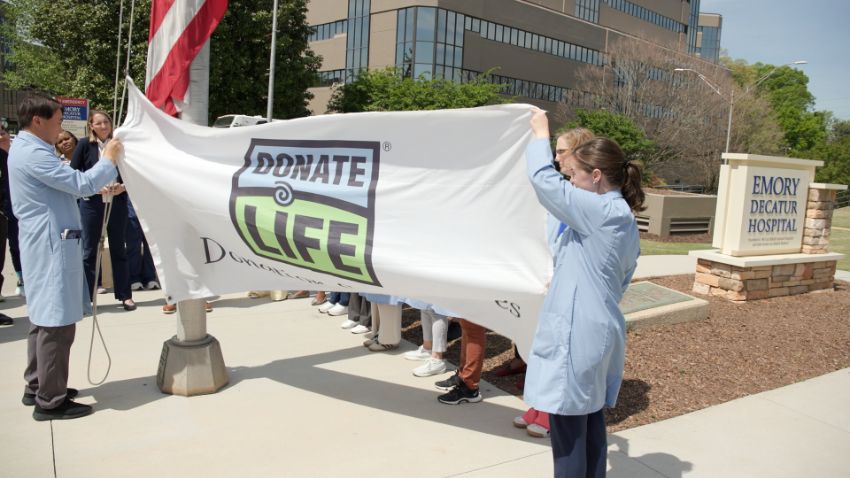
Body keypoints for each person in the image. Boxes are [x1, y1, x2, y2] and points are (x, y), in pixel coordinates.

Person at [525, 109, 643, 477]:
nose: (569, 181)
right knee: (590, 425)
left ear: (595, 176)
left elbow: (544, 182)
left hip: (575, 336)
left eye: (574, 175)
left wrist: (539, 134)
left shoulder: (598, 211)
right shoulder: (623, 217)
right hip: (600, 329)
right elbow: (621, 278)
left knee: (567, 436)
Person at [9, 94, 121, 420]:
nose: (61, 128)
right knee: (56, 325)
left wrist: (98, 188)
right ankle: (51, 399)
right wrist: (109, 159)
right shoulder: (33, 154)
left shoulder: (30, 150)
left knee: (43, 319)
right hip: (50, 246)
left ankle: (39, 384)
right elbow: (80, 182)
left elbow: (64, 187)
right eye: (57, 121)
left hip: (47, 242)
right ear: (37, 121)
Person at [514, 127, 596, 439]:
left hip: (569, 288)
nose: (556, 157)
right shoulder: (568, 191)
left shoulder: (585, 198)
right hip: (549, 279)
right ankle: (537, 404)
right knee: (541, 347)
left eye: (562, 152)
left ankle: (551, 412)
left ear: (580, 154)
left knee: (559, 352)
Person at [71, 110, 135, 311]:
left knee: (119, 248)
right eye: (99, 123)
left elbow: (130, 170)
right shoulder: (84, 145)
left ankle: (125, 295)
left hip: (116, 201)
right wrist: (94, 187)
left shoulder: (118, 144)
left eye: (106, 122)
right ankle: (87, 297)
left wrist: (122, 186)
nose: (104, 126)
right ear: (91, 126)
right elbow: (74, 172)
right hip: (92, 202)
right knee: (89, 250)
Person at [0, 121, 24, 298]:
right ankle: (20, 277)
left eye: (3, 131)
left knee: (19, 244)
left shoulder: (17, 153)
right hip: (4, 209)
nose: (1, 135)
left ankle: (23, 279)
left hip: (19, 207)